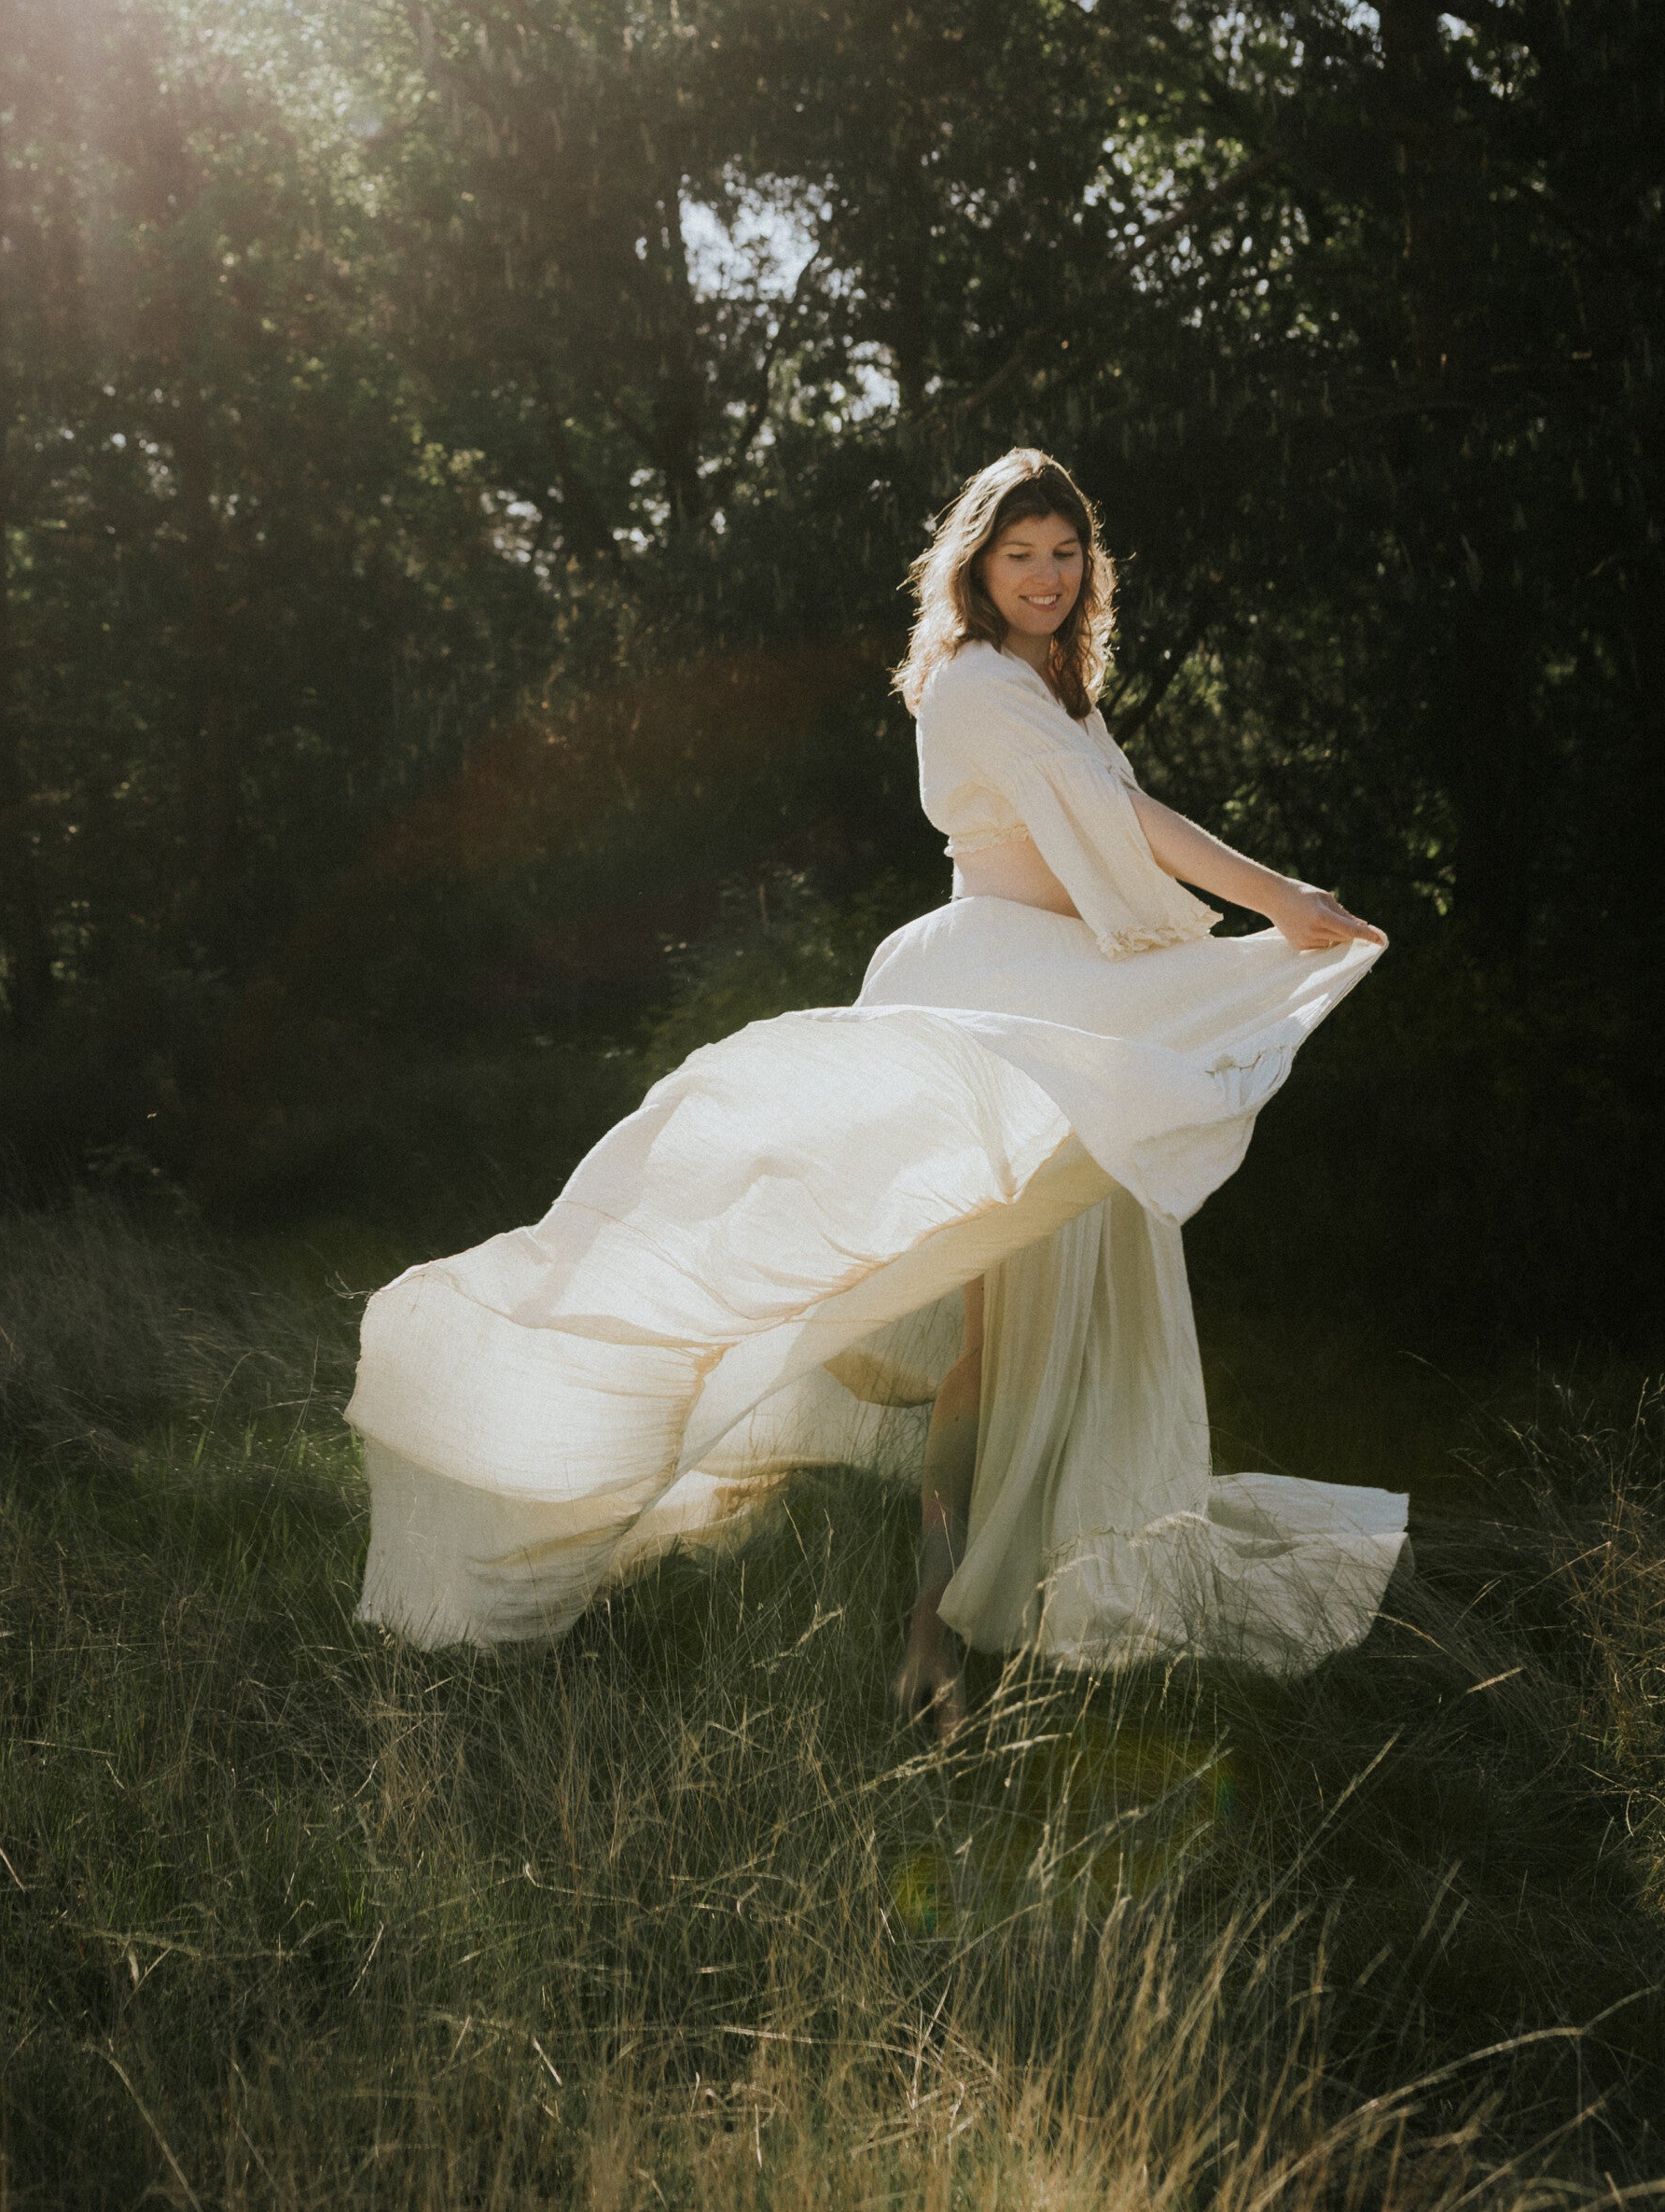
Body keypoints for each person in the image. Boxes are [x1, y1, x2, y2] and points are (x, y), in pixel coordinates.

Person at [346, 449, 1408, 1712]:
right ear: (976, 562)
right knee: (984, 1343)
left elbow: (1117, 808)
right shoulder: (972, 680)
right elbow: (1123, 827)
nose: (1048, 576)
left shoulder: (1058, 688)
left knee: (1051, 1331)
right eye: (1021, 553)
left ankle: (1003, 1598)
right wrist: (1277, 898)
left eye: (1066, 552)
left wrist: (1254, 914)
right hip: (998, 997)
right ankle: (929, 1633)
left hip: (1063, 992)